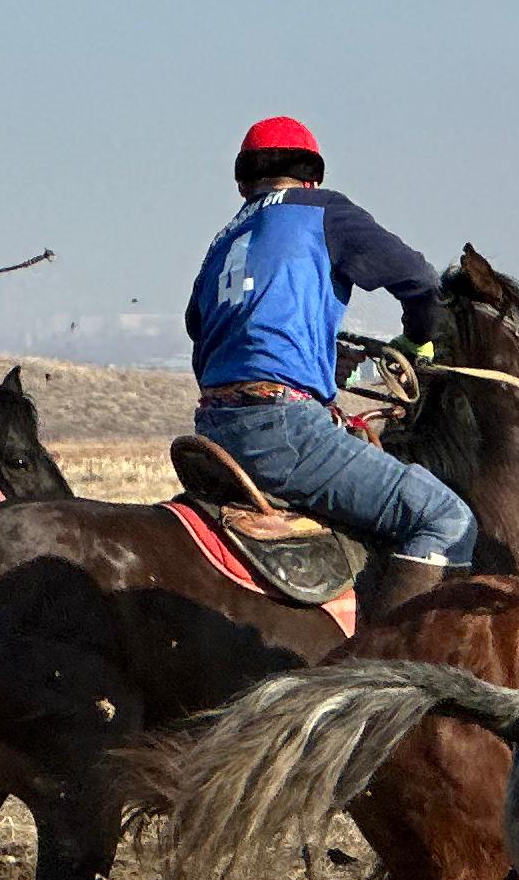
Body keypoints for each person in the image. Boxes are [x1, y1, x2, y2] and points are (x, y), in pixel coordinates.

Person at [186, 116, 475, 623]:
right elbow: (419, 279)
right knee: (444, 518)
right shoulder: (323, 211)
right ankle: (389, 679)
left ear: (242, 183)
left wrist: (321, 355)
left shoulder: (222, 242)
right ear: (312, 178)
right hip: (284, 430)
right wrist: (418, 339)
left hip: (213, 431)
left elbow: (203, 333)